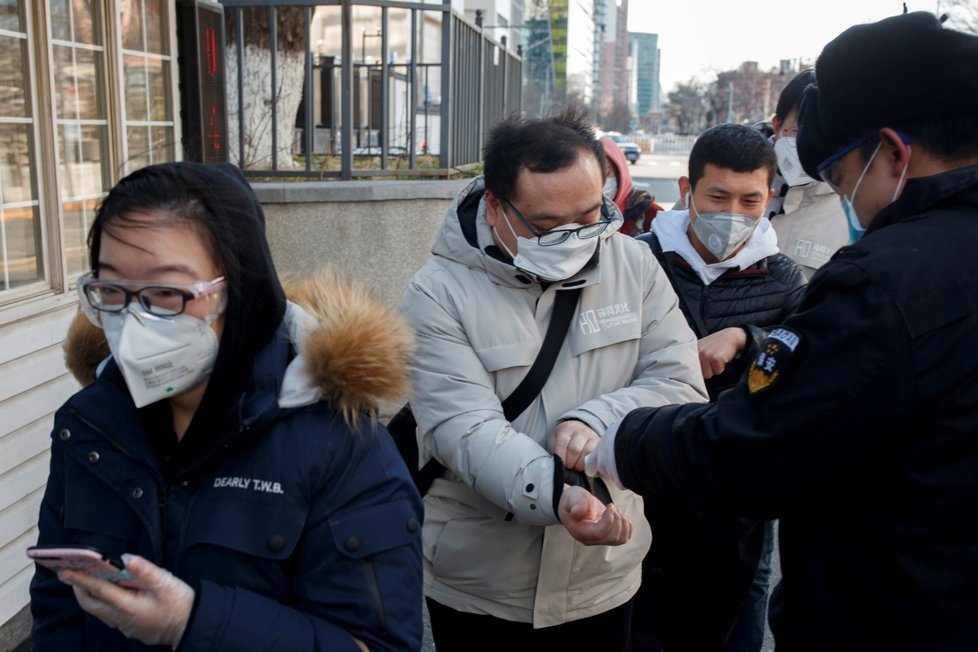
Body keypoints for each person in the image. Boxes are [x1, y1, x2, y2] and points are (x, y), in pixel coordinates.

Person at [586, 12, 978, 650]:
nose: (854, 202)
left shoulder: (884, 281)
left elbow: (758, 451)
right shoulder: (637, 258)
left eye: (847, 179)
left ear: (895, 153)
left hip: (892, 612)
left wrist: (617, 437)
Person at [29, 162, 424, 651]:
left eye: (166, 294)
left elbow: (377, 644)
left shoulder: (341, 445)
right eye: (112, 292)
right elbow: (57, 610)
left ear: (240, 289)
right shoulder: (88, 426)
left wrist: (193, 623)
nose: (132, 321)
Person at [401, 109, 707, 650]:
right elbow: (461, 427)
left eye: (590, 215)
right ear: (495, 206)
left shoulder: (633, 265)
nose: (576, 238)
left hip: (604, 570)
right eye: (547, 227)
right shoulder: (437, 292)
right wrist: (558, 493)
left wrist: (598, 418)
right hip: (482, 581)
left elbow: (680, 382)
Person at [632, 124, 806, 652]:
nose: (734, 212)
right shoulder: (640, 258)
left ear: (769, 197)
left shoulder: (782, 276)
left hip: (733, 485)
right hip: (645, 469)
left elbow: (806, 355)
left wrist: (748, 338)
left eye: (750, 199)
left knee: (728, 614)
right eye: (718, 196)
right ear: (687, 191)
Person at [766, 69, 848, 277]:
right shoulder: (728, 174)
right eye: (800, 131)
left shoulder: (851, 211)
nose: (810, 144)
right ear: (777, 126)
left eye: (823, 135)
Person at [600, 136, 662, 235]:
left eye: (606, 172)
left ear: (620, 172)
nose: (599, 181)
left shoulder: (651, 214)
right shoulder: (576, 215)